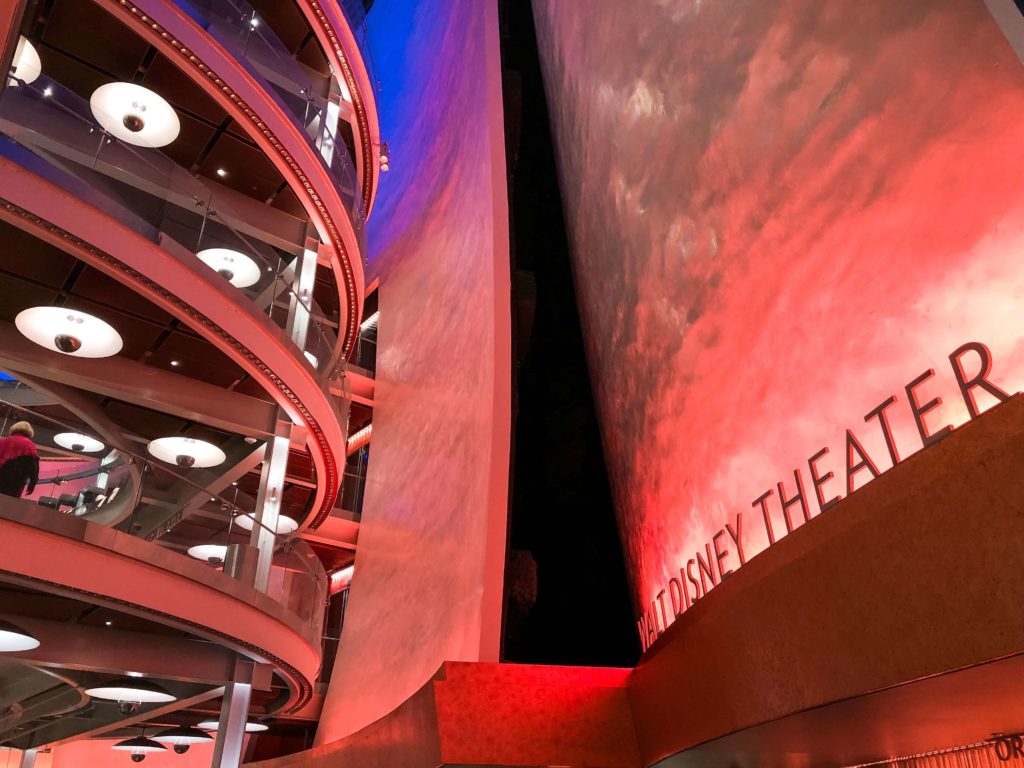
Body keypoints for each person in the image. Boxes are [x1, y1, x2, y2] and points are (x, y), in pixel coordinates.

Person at [0, 421, 39, 498]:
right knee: (8, 505)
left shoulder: (3, 441)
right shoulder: (29, 445)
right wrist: (33, 483)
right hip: (15, 483)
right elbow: (33, 466)